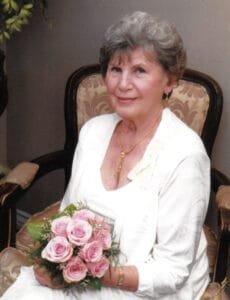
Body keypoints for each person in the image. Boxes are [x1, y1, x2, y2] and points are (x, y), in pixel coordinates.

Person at [1, 11, 210, 300]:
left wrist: (84, 271)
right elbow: (69, 210)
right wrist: (56, 262)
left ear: (170, 81)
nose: (123, 84)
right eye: (115, 69)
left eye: (140, 70)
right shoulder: (93, 132)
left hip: (147, 283)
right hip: (82, 267)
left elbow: (171, 272)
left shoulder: (185, 156)